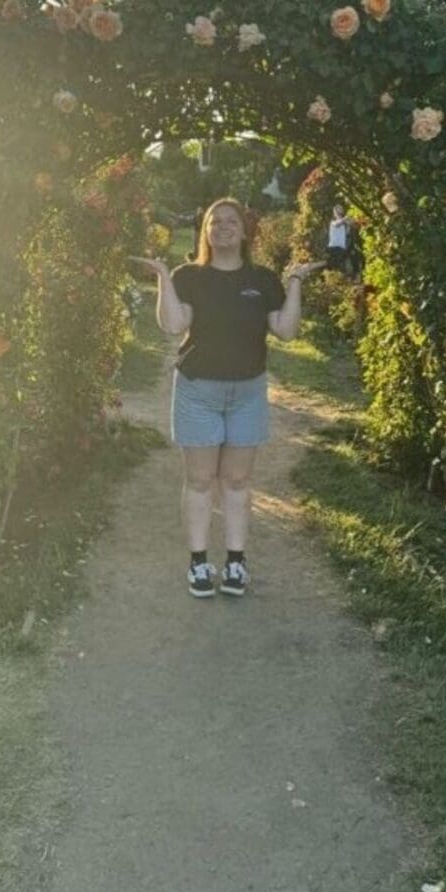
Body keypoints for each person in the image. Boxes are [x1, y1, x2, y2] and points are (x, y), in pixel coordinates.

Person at [127, 199, 320, 599]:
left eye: (232, 221)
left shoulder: (263, 279)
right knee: (199, 480)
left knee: (236, 480)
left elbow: (285, 330)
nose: (223, 227)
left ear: (245, 231)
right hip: (199, 390)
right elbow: (173, 324)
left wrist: (296, 282)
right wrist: (163, 275)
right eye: (215, 222)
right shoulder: (191, 276)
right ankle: (199, 563)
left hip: (247, 392)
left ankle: (235, 562)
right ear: (206, 231)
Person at [325, 203, 352, 277]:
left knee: (340, 269)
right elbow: (337, 224)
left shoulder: (343, 224)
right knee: (334, 267)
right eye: (338, 210)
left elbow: (347, 233)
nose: (340, 213)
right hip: (334, 248)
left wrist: (349, 225)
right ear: (335, 213)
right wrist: (346, 219)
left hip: (341, 248)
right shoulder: (333, 222)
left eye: (341, 209)